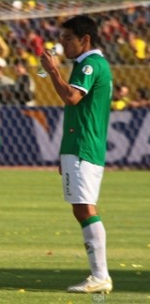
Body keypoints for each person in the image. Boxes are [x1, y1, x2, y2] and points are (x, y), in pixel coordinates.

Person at [40, 15, 113, 294]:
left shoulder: (91, 64)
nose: (62, 42)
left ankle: (100, 275)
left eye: (68, 37)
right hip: (78, 146)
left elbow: (72, 98)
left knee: (84, 208)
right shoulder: (90, 64)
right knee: (81, 207)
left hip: (84, 146)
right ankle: (99, 275)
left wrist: (53, 71)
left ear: (85, 40)